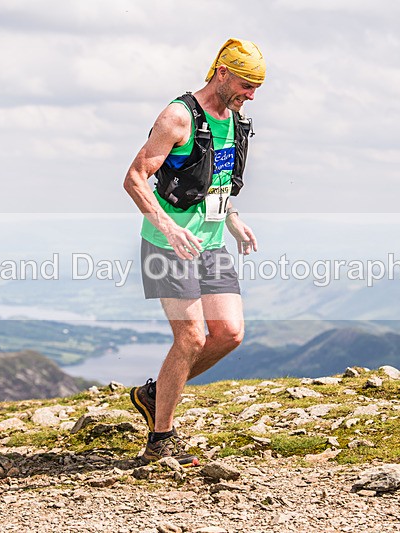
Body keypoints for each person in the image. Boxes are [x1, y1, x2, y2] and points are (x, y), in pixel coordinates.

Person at [122, 38, 265, 466]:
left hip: (212, 241)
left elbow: (214, 178)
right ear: (221, 72)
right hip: (169, 244)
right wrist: (167, 224)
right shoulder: (178, 117)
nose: (252, 95)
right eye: (246, 84)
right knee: (191, 338)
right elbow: (134, 177)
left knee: (230, 334)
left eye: (257, 87)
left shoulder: (234, 117)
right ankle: (160, 441)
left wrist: (233, 218)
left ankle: (153, 394)